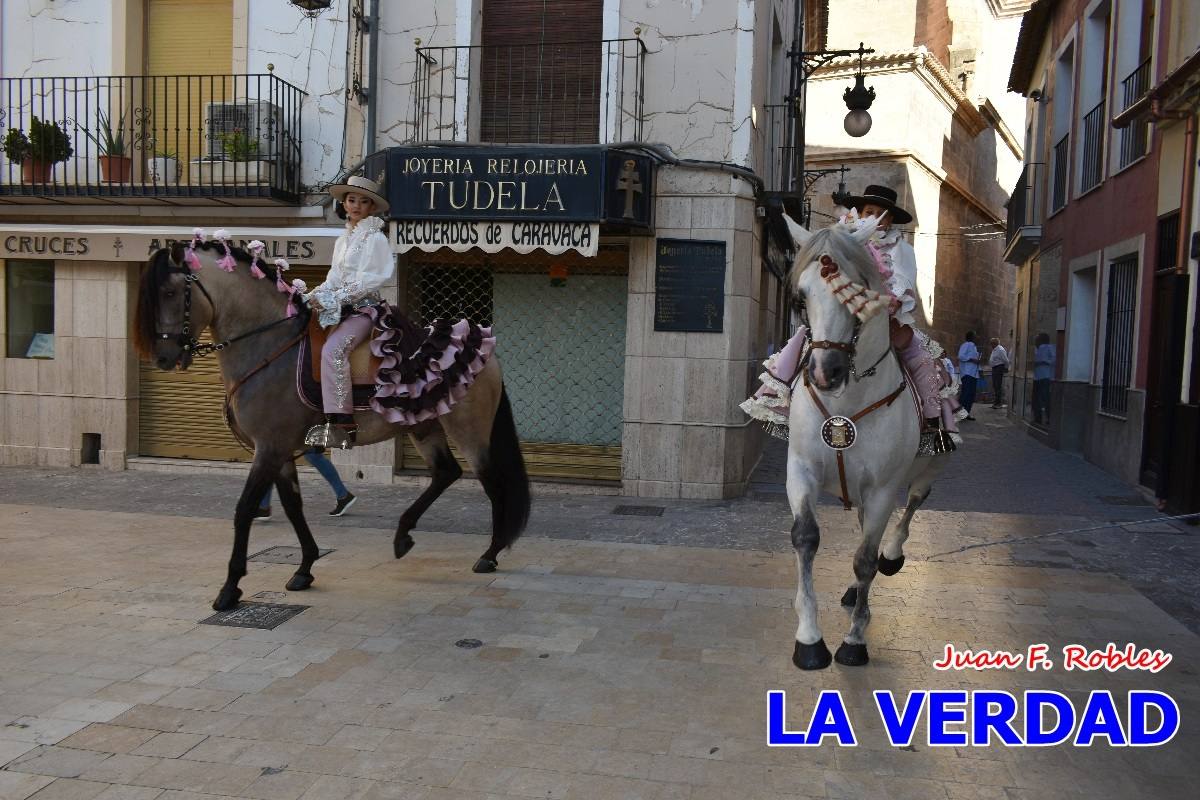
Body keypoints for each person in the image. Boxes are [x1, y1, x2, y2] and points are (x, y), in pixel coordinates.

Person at [740, 184, 960, 454]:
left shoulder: (902, 250)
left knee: (923, 360)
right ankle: (783, 405)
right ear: (860, 212)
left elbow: (903, 280)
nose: (875, 218)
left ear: (890, 220)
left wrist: (888, 300)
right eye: (870, 211)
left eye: (882, 214)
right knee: (805, 344)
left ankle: (931, 423)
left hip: (885, 321)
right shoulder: (843, 238)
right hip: (842, 315)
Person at [303, 175, 393, 449]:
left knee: (334, 349)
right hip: (341, 309)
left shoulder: (375, 237)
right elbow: (333, 277)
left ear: (372, 208)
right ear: (343, 203)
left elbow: (372, 279)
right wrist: (311, 295)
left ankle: (342, 421)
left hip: (365, 310)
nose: (356, 206)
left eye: (363, 202)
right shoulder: (343, 239)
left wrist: (337, 298)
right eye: (352, 200)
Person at [254, 447, 357, 521]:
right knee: (313, 456)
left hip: (301, 422)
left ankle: (264, 507)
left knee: (272, 457)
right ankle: (343, 495)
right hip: (300, 423)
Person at [1032, 332, 1055, 425]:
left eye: (1037, 339)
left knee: (1046, 398)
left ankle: (1049, 418)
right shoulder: (1036, 349)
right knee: (1036, 399)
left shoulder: (1049, 347)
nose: (1036, 341)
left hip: (1045, 376)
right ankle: (1037, 418)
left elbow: (1054, 359)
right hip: (1037, 377)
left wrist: (1044, 361)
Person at [957, 331, 980, 420]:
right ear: (971, 337)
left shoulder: (974, 347)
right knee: (966, 394)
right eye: (975, 335)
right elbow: (960, 356)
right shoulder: (966, 345)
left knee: (971, 395)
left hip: (973, 374)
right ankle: (958, 412)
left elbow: (975, 360)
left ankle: (966, 413)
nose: (977, 337)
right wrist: (971, 359)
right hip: (967, 373)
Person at [988, 337, 1010, 409]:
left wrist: (1006, 368)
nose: (991, 345)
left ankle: (999, 403)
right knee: (995, 385)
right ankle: (996, 402)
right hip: (994, 368)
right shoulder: (995, 349)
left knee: (998, 385)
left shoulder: (1000, 350)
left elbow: (1006, 360)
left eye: (991, 344)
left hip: (998, 368)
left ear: (994, 343)